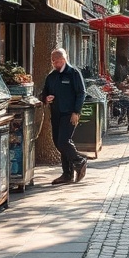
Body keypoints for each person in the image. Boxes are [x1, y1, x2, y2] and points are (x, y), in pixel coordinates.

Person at [42, 48, 89, 186]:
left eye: (56, 61)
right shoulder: (51, 76)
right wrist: (46, 98)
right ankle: (67, 173)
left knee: (63, 141)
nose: (55, 64)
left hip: (69, 113)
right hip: (56, 113)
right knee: (58, 142)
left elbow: (81, 93)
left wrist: (76, 112)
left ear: (63, 59)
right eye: (53, 61)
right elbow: (44, 92)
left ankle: (79, 161)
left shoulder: (73, 73)